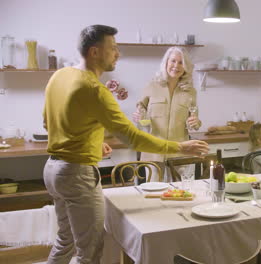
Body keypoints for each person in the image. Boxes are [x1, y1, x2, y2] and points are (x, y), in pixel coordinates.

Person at [42, 25, 209, 264]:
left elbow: (49, 121)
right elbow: (133, 137)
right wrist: (180, 147)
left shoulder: (60, 75)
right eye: (113, 48)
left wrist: (93, 143)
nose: (118, 54)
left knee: (65, 241)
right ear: (95, 52)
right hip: (76, 174)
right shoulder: (96, 90)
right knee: (88, 252)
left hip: (53, 170)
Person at [133, 47, 201, 181]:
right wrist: (139, 118)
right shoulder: (152, 86)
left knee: (182, 193)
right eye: (173, 61)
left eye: (181, 62)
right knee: (154, 192)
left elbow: (194, 122)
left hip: (180, 151)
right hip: (153, 150)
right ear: (166, 63)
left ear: (186, 67)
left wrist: (196, 122)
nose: (176, 66)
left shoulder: (190, 91)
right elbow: (140, 112)